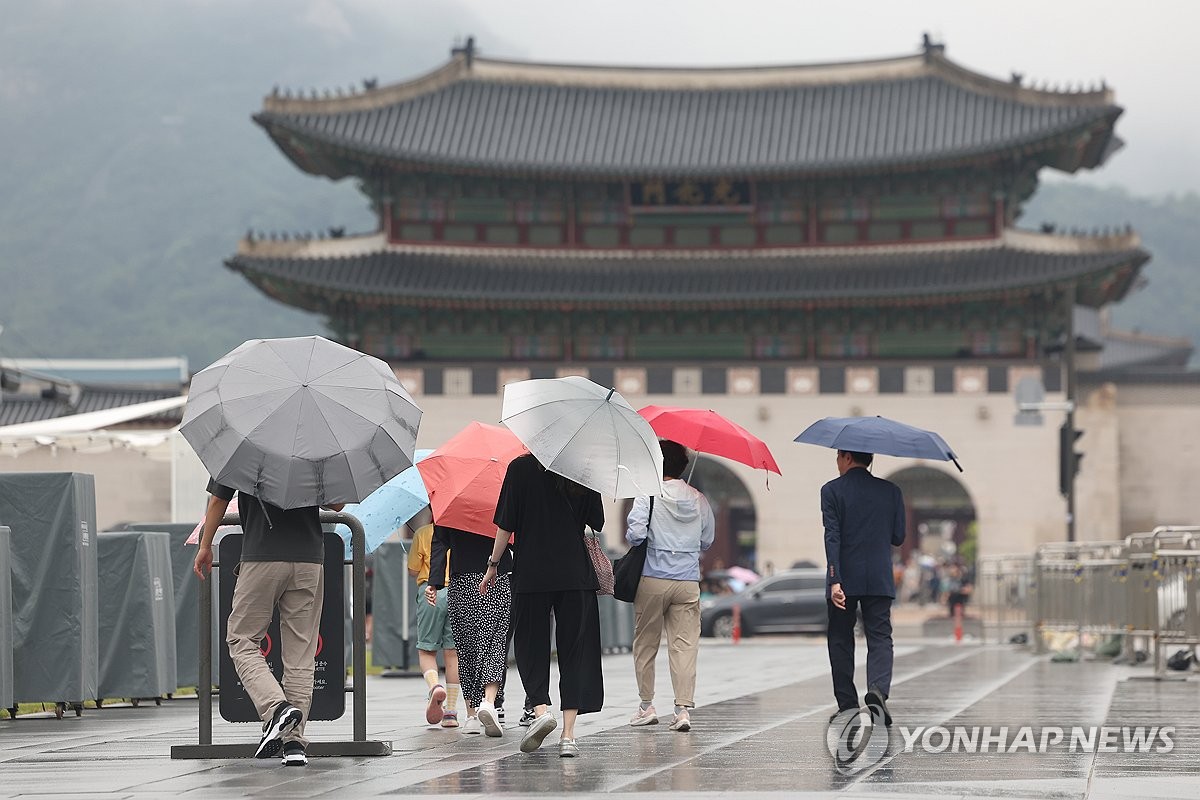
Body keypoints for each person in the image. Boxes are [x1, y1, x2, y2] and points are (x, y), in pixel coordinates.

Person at [193, 482, 343, 767]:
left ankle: (276, 709)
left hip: (262, 556)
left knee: (242, 639)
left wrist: (205, 545)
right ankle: (294, 744)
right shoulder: (315, 446)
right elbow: (337, 505)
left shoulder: (241, 444)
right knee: (301, 653)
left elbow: (217, 501)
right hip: (309, 558)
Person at [482, 453, 605, 758]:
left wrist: (493, 564)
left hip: (532, 572)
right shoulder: (583, 466)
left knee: (530, 645)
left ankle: (541, 710)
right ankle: (568, 735)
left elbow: (505, 524)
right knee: (574, 651)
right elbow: (598, 521)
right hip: (575, 574)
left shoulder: (520, 468)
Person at [625, 440, 714, 732]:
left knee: (645, 644)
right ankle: (683, 710)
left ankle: (646, 706)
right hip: (687, 581)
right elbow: (707, 540)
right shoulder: (699, 499)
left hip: (652, 578)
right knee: (685, 647)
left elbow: (635, 535)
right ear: (683, 466)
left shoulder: (647, 494)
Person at [822, 449, 905, 726]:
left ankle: (847, 705)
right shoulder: (891, 491)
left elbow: (832, 536)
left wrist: (835, 579)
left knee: (840, 638)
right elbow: (898, 536)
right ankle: (878, 690)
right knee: (880, 636)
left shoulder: (831, 491)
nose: (837, 464)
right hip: (879, 577)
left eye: (837, 458)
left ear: (846, 457)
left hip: (844, 578)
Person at [427, 524, 512, 736]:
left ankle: (471, 715)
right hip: (497, 576)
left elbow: (440, 542)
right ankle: (489, 702)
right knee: (495, 642)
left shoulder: (452, 501)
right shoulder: (499, 500)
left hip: (461, 577)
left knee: (466, 648)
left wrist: (434, 582)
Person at [407, 521, 461, 728]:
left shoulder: (422, 533)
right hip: (457, 593)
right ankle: (451, 712)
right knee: (452, 653)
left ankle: (434, 686)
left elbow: (413, 570)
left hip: (431, 592)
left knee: (427, 651)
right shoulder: (459, 531)